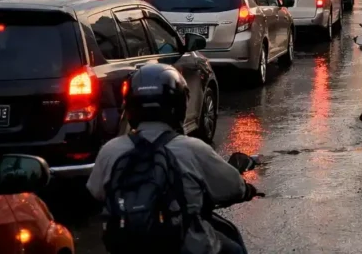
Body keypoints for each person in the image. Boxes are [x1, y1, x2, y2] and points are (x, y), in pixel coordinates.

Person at [87, 64, 254, 254]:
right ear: (179, 104)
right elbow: (234, 188)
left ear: (130, 105)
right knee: (234, 250)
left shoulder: (110, 151)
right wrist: (246, 189)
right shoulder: (193, 149)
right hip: (189, 247)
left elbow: (96, 191)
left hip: (127, 247)